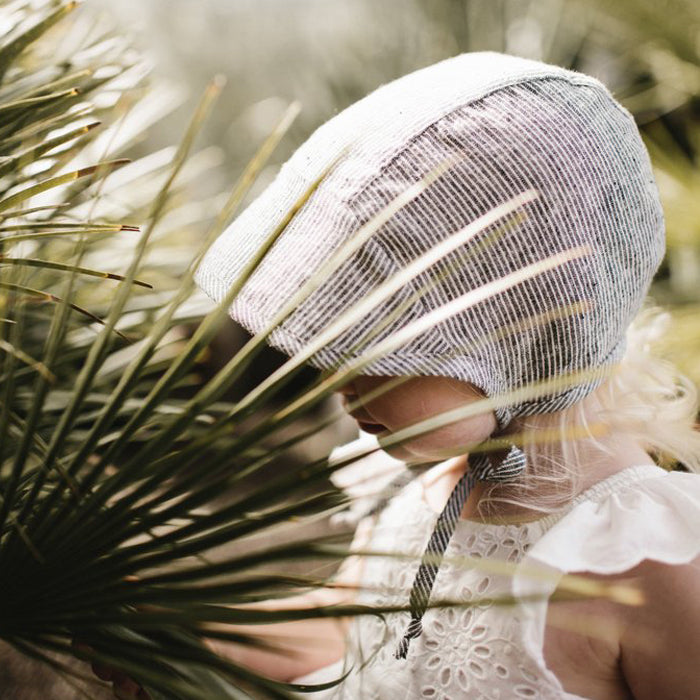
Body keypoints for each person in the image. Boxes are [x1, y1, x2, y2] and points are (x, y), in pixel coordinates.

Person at [117, 52, 700, 699]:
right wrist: (184, 634)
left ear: (518, 333)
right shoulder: (419, 491)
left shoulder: (648, 560)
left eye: (376, 351)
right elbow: (354, 635)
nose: (334, 380)